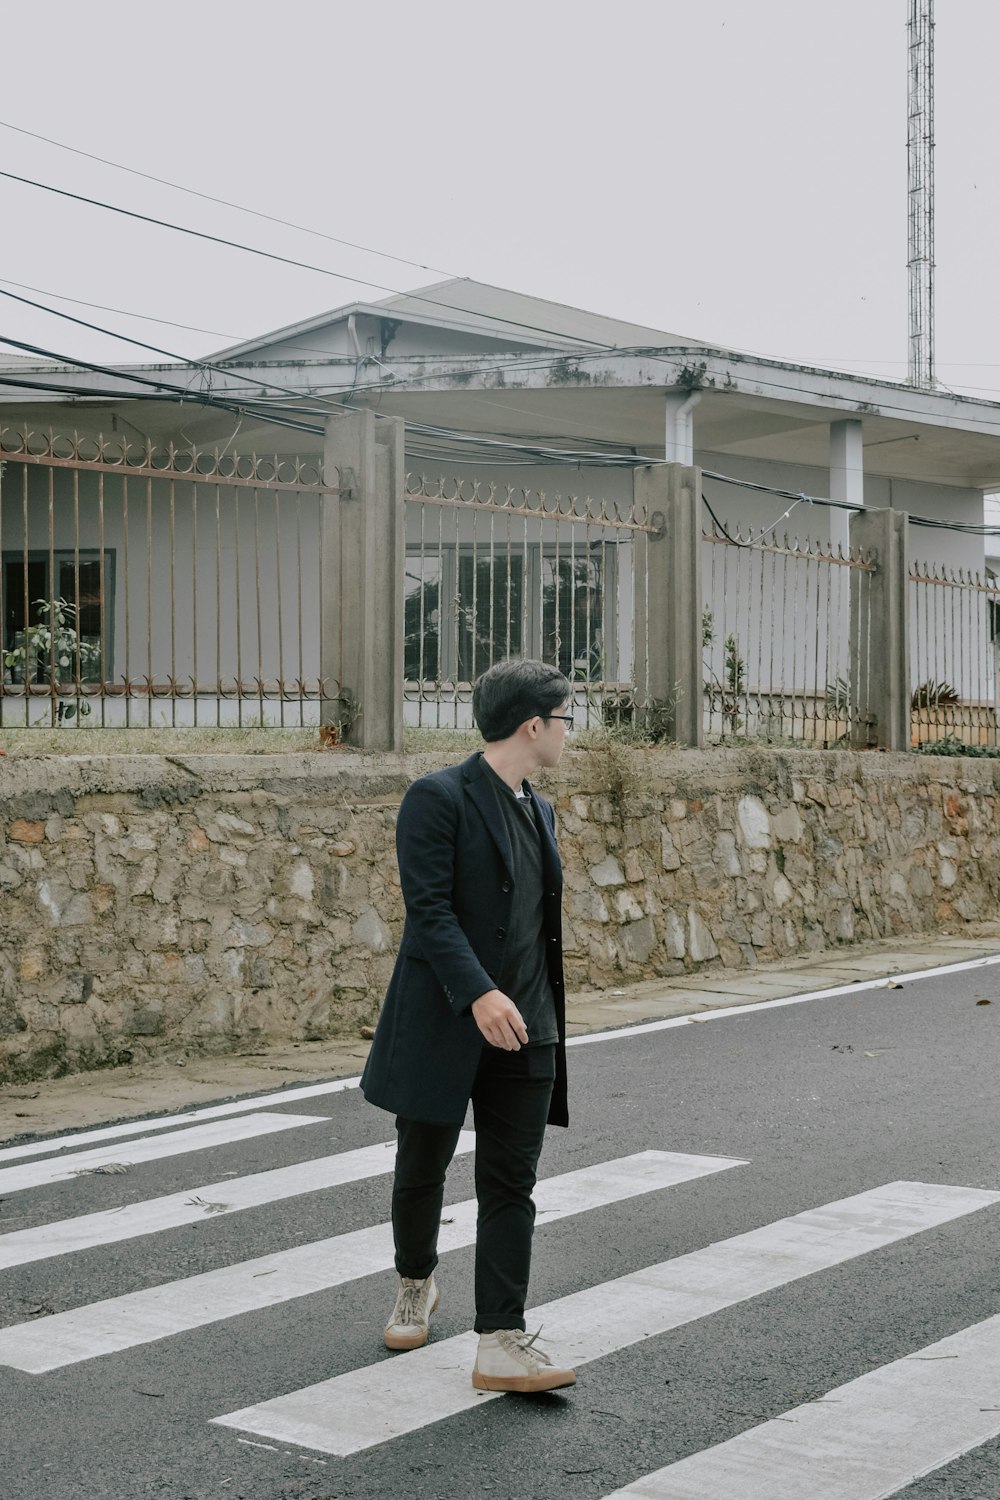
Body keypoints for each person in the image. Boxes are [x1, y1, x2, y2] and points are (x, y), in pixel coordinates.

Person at [360, 657, 576, 1393]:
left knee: (510, 1181)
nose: (570, 732)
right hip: (449, 1021)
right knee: (422, 1165)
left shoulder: (539, 808)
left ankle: (501, 1340)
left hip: (527, 1026)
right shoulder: (438, 798)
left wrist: (525, 1002)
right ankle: (416, 1280)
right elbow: (430, 911)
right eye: (565, 717)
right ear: (533, 724)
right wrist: (479, 992)